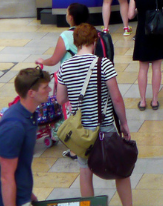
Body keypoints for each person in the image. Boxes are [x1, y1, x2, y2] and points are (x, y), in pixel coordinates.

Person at [53, 23, 132, 204]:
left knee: (85, 172)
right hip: (105, 127)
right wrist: (124, 124)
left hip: (81, 132)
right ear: (95, 41)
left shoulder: (65, 67)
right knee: (121, 170)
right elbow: (117, 99)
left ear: (76, 42)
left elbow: (60, 99)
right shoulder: (104, 64)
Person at [0, 68, 51, 206]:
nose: (49, 90)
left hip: (22, 196)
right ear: (31, 93)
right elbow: (6, 177)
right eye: (45, 87)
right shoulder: (13, 127)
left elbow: (20, 165)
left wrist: (29, 194)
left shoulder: (29, 115)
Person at [36, 2, 95, 68]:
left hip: (71, 73)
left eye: (67, 13)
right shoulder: (92, 32)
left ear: (70, 18)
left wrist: (42, 61)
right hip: (91, 71)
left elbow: (53, 61)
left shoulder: (66, 35)